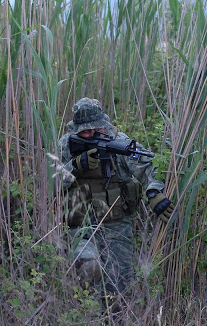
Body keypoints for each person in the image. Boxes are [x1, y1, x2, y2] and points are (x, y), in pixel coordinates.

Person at [59, 97, 174, 300]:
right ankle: (84, 320)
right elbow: (50, 181)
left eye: (93, 130)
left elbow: (149, 166)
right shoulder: (67, 145)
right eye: (83, 131)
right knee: (88, 266)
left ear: (102, 124)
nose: (89, 134)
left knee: (120, 286)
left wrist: (154, 192)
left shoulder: (119, 142)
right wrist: (75, 166)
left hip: (116, 226)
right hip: (81, 227)